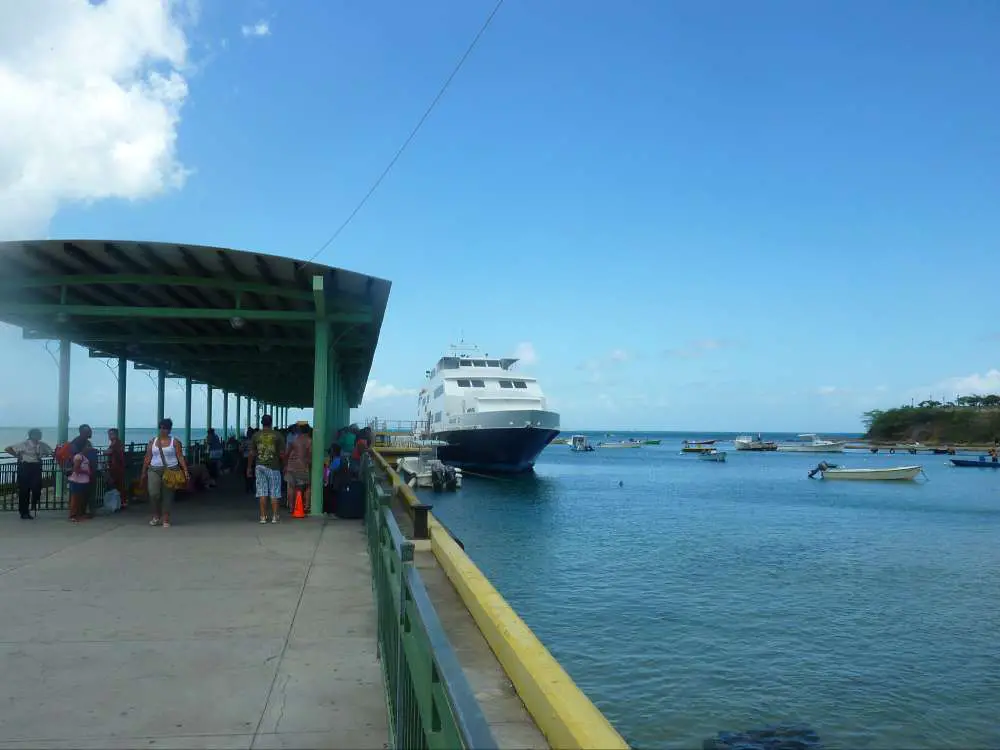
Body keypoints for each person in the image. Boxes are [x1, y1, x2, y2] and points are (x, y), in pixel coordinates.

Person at [141, 418, 190, 529]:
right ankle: (156, 514)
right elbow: (148, 456)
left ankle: (166, 517)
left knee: (168, 495)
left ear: (170, 429)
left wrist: (185, 470)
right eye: (162, 428)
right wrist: (143, 472)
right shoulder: (152, 441)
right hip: (154, 469)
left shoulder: (175, 441)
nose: (164, 430)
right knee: (154, 493)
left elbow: (180, 456)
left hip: (171, 470)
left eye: (166, 428)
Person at [4, 428, 53, 519]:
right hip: (25, 467)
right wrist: (17, 456)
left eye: (39, 434)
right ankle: (24, 512)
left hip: (36, 466)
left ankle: (34, 503)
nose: (39, 435)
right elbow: (8, 448)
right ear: (32, 435)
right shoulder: (24, 444)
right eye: (37, 434)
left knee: (36, 487)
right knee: (24, 490)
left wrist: (46, 455)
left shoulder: (42, 445)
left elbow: (50, 452)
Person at [249, 414, 284, 524]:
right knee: (274, 492)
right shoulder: (278, 435)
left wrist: (249, 467)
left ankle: (263, 517)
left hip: (259, 466)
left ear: (261, 422)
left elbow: (252, 453)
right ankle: (275, 516)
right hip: (273, 467)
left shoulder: (256, 435)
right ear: (271, 422)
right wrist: (284, 464)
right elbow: (282, 454)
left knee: (262, 492)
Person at [284, 421, 312, 514]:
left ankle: (291, 507)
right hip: (303, 467)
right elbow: (310, 455)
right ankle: (306, 506)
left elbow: (287, 454)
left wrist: (285, 465)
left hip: (291, 466)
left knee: (291, 487)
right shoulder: (309, 441)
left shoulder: (293, 440)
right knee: (307, 487)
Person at [67, 435, 94, 523]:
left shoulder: (84, 456)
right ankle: (73, 515)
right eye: (88, 446)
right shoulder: (79, 457)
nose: (89, 448)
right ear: (83, 447)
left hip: (83, 481)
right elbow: (76, 469)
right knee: (76, 498)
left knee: (81, 498)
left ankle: (79, 514)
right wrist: (86, 472)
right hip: (77, 481)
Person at [105, 428, 127, 509]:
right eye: (109, 434)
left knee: (117, 485)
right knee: (119, 485)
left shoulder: (116, 443)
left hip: (116, 467)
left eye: (111, 434)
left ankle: (120, 503)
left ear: (116, 434)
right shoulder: (118, 443)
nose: (110, 436)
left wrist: (102, 452)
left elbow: (109, 452)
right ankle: (121, 502)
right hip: (117, 467)